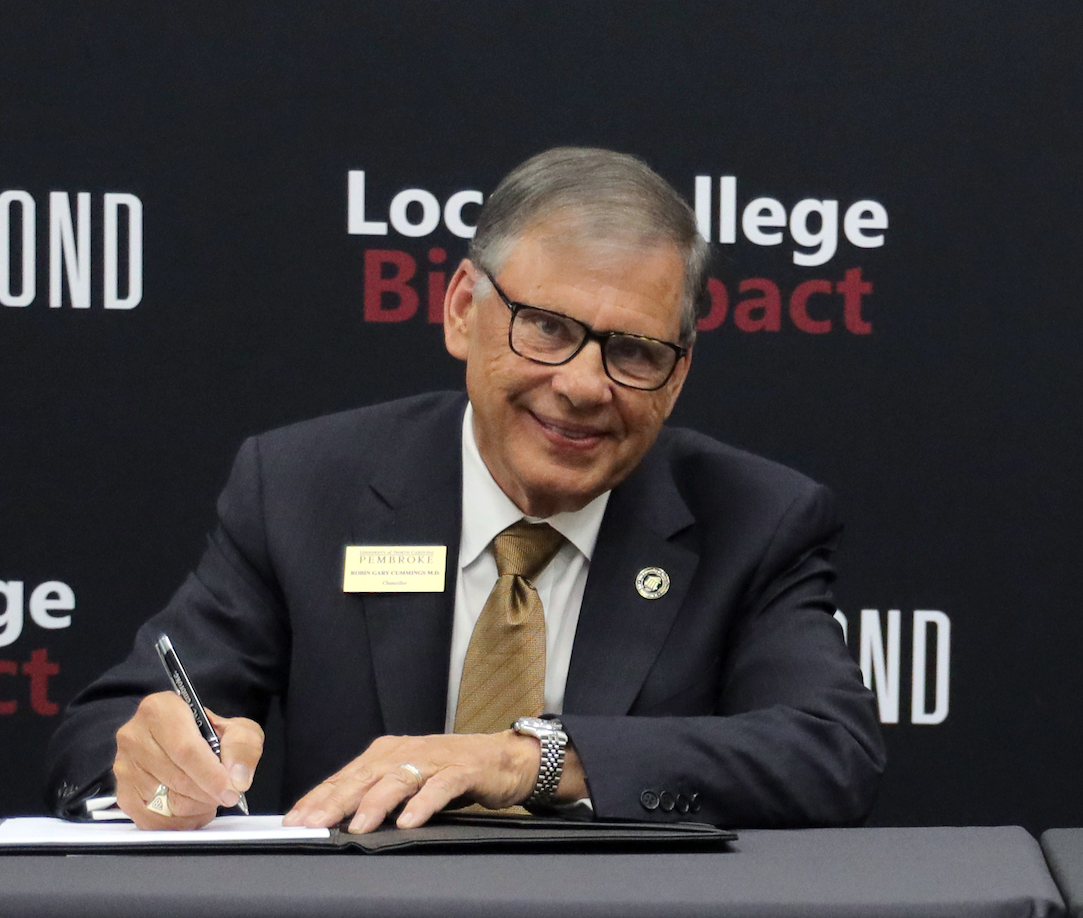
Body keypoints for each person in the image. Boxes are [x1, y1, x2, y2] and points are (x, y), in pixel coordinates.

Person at [47, 148, 882, 831]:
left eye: (633, 351)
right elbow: (102, 738)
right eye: (548, 328)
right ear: (461, 310)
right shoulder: (305, 487)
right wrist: (156, 763)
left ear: (679, 373)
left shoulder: (757, 520)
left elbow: (827, 753)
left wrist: (532, 759)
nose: (585, 386)